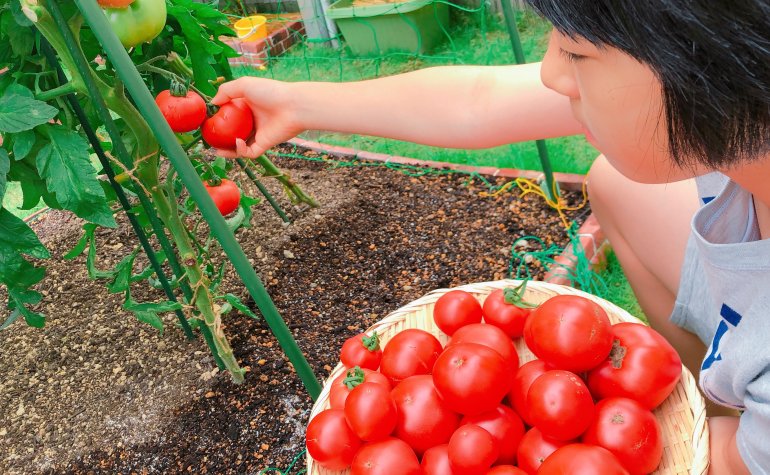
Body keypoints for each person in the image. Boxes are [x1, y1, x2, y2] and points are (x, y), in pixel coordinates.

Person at [212, 1, 770, 472]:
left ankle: (730, 416)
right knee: (616, 184)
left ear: (708, 66)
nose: (551, 72)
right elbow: (477, 100)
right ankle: (711, 392)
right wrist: (299, 104)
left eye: (577, 53)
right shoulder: (733, 108)